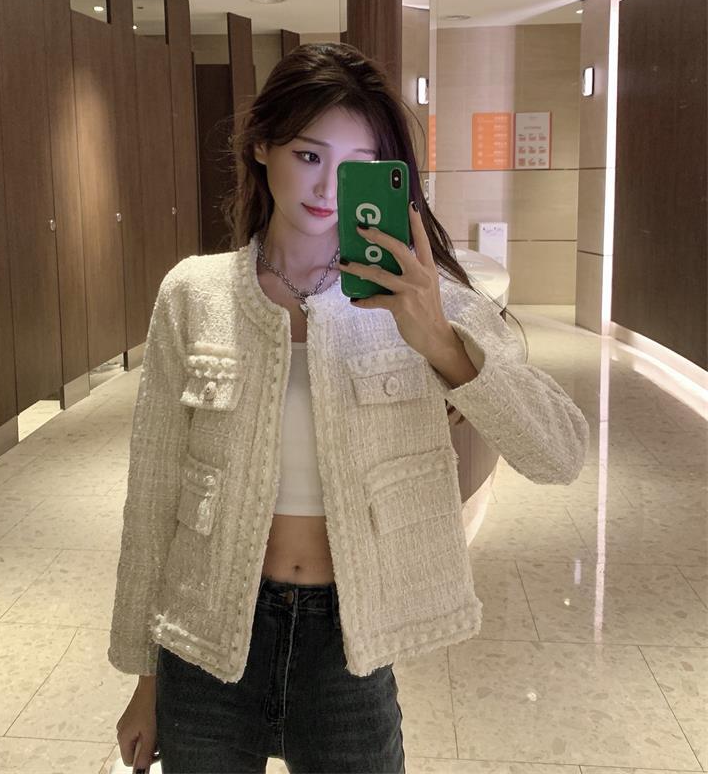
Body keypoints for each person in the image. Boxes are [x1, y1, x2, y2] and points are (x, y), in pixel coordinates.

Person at [110, 42, 589, 774]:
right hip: (205, 637)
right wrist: (146, 679)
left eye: (356, 165)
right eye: (308, 155)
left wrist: (440, 341)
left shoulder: (424, 302)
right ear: (262, 146)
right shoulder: (193, 294)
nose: (328, 187)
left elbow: (560, 454)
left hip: (348, 646)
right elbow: (153, 496)